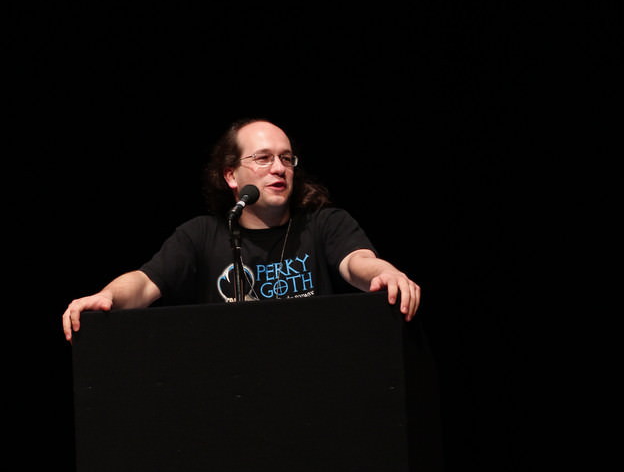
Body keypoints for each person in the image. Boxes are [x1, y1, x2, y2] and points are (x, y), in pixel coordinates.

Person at [62, 119, 420, 340]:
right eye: (263, 158)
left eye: (286, 158)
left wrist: (386, 273)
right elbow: (144, 283)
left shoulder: (324, 223)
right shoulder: (201, 235)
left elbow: (358, 261)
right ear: (231, 175)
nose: (278, 168)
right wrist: (108, 296)